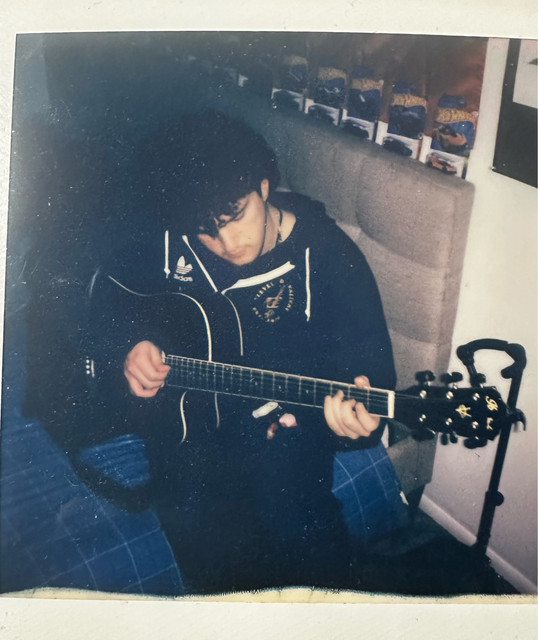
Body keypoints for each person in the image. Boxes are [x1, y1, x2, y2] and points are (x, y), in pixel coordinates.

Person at [90, 109, 396, 594]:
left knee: (298, 522)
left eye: (236, 217)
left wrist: (355, 422)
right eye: (206, 231)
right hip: (190, 427)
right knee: (200, 537)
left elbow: (372, 374)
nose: (227, 244)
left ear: (264, 186)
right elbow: (104, 296)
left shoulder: (330, 257)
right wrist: (129, 347)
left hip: (286, 425)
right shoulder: (171, 237)